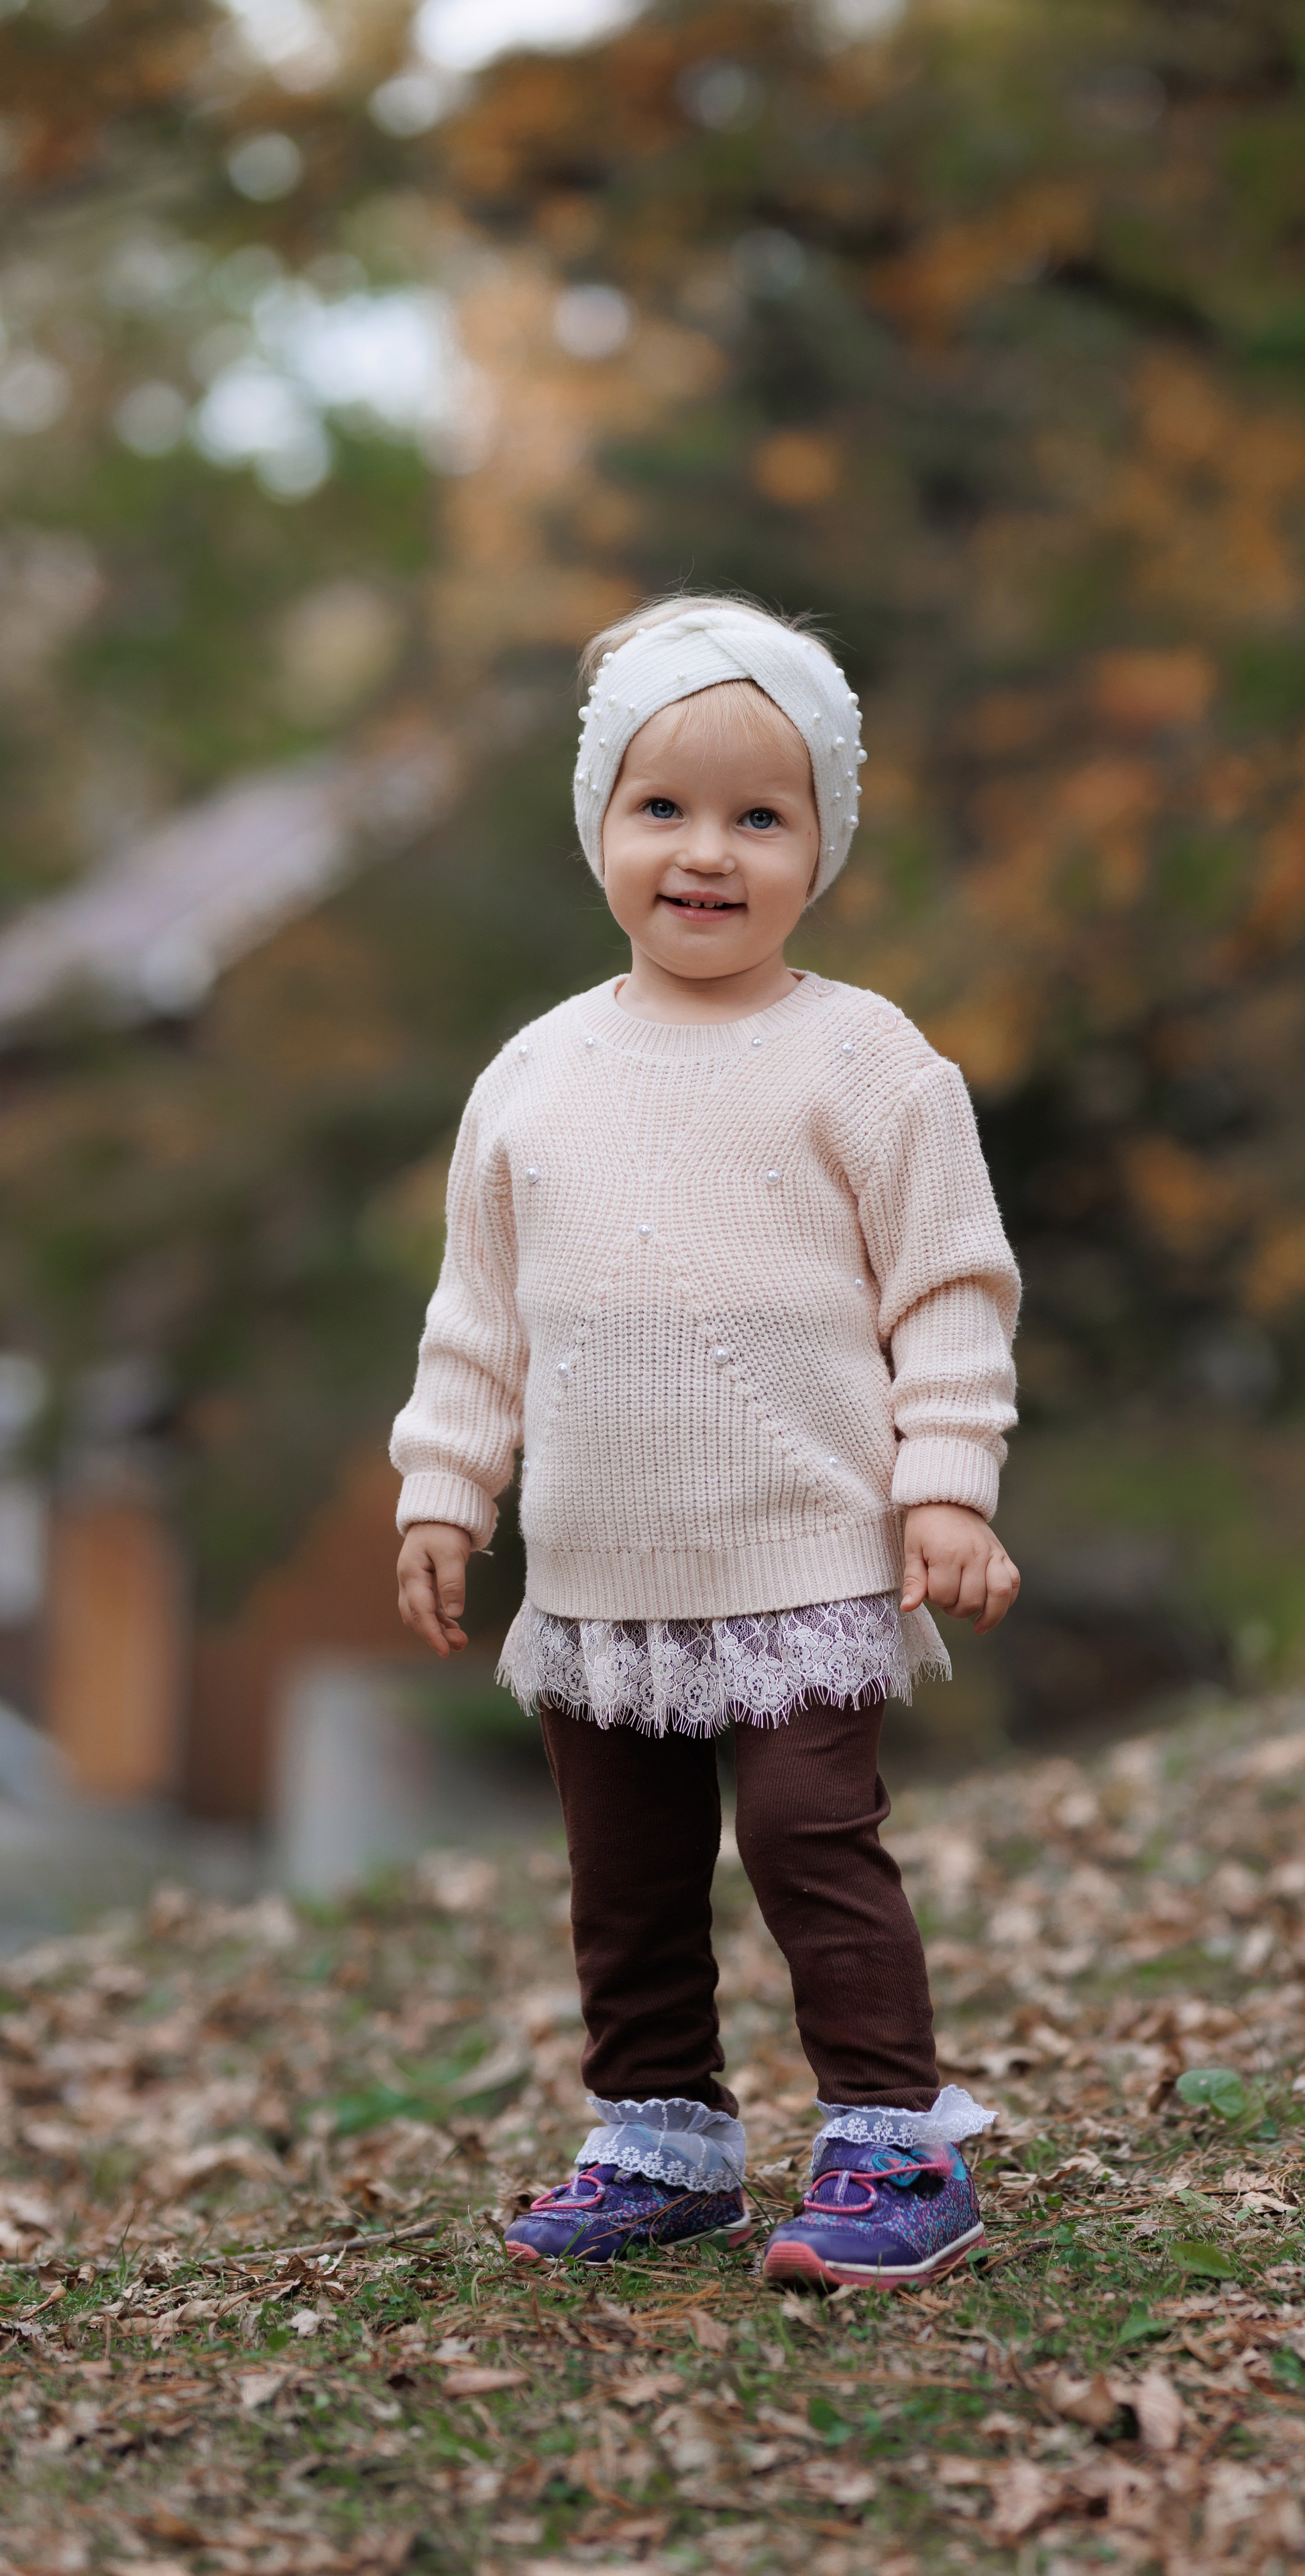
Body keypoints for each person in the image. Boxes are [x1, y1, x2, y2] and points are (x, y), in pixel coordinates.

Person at [392, 595, 1021, 2287]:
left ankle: (891, 2140)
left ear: (820, 843)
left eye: (761, 816)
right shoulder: (534, 1072)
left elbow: (951, 1293)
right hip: (600, 1567)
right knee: (628, 1873)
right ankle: (661, 2133)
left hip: (806, 1540)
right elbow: (479, 1317)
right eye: (661, 808)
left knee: (813, 1837)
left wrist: (944, 1489)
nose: (708, 853)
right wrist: (444, 1491)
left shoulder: (864, 1059)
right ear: (598, 822)